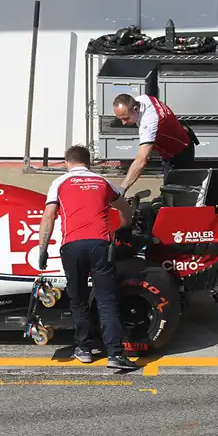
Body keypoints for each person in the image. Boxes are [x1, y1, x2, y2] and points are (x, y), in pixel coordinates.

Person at [37, 145, 138, 371]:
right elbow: (124, 207)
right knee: (106, 300)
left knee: (78, 300)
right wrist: (125, 228)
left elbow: (49, 216)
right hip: (99, 245)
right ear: (88, 162)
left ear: (67, 163)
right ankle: (115, 354)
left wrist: (42, 249)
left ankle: (83, 349)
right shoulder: (102, 182)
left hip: (71, 246)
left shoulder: (59, 183)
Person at [112, 93, 198, 191]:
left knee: (177, 195)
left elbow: (141, 161)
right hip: (178, 139)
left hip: (179, 153)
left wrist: (121, 189)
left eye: (126, 118)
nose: (123, 123)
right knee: (169, 191)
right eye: (120, 119)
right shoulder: (142, 99)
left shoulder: (149, 123)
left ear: (135, 109)